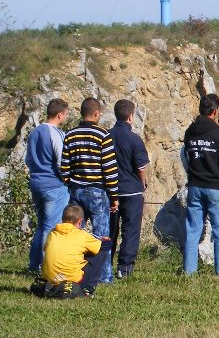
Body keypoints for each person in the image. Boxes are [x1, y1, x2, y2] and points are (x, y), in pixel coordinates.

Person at [61, 97, 119, 283]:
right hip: (97, 191)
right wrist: (114, 196)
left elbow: (65, 167)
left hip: (76, 190)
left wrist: (71, 182)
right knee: (101, 235)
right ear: (96, 114)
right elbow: (109, 169)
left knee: (72, 233)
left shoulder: (70, 135)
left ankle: (70, 271)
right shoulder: (103, 135)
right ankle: (104, 276)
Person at [182, 93, 219, 276]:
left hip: (195, 185)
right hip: (215, 187)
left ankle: (189, 272)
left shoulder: (190, 131)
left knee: (192, 230)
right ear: (215, 111)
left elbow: (186, 155)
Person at [25, 98, 70, 274]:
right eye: (65, 114)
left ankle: (34, 263)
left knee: (42, 224)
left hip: (36, 182)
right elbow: (61, 161)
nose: (65, 117)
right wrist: (66, 180)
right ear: (60, 114)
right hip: (53, 185)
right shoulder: (56, 134)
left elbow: (28, 159)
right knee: (51, 227)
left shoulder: (34, 132)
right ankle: (44, 266)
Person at [30, 203, 106, 299]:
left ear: (62, 219)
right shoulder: (82, 235)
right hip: (72, 281)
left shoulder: (52, 233)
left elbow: (45, 248)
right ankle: (87, 289)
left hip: (50, 279)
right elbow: (104, 245)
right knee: (101, 250)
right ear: (80, 221)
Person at [109, 99, 149, 279]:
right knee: (130, 230)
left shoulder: (106, 136)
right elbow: (140, 166)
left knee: (109, 229)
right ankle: (124, 268)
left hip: (111, 190)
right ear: (131, 116)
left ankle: (104, 264)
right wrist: (143, 183)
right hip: (131, 191)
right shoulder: (135, 139)